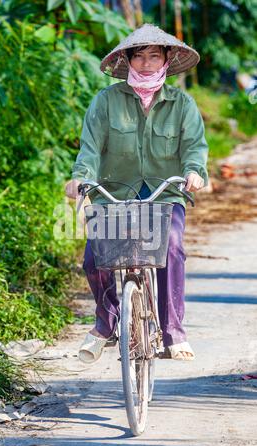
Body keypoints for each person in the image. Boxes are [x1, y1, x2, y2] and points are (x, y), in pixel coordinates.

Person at [65, 23, 208, 363]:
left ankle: (173, 333)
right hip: (113, 193)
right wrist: (80, 177)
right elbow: (89, 149)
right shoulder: (105, 101)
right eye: (139, 56)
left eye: (153, 56)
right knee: (94, 258)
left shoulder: (182, 104)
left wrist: (193, 172)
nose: (146, 63)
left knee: (171, 249)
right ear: (127, 61)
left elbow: (194, 147)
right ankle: (107, 323)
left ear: (166, 59)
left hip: (165, 194)